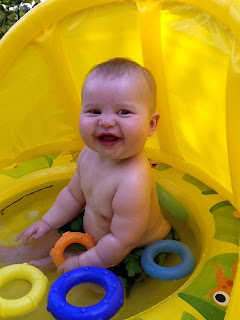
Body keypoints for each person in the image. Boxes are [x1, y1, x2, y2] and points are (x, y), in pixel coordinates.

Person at [2, 57, 172, 291]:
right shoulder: (88, 155)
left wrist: (81, 262)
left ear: (151, 125)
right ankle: (34, 256)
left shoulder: (133, 181)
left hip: (135, 249)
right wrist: (46, 221)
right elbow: (73, 196)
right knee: (50, 234)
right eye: (94, 111)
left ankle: (52, 262)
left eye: (123, 112)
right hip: (97, 230)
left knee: (94, 288)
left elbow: (121, 241)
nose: (106, 121)